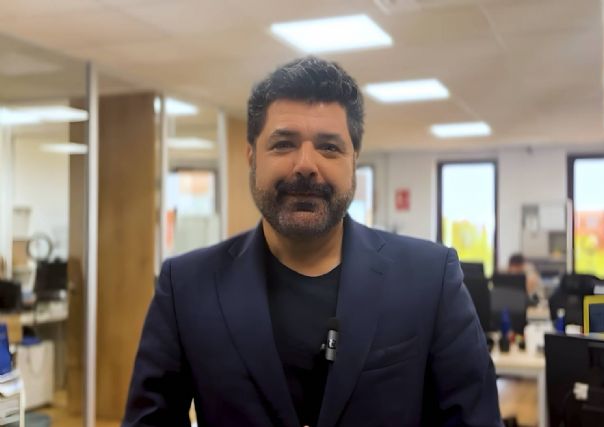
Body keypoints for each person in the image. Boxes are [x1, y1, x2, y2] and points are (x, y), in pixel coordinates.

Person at [123, 56, 501, 427]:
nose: (305, 164)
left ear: (353, 161)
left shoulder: (431, 280)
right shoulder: (186, 287)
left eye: (329, 147)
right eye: (283, 144)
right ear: (252, 157)